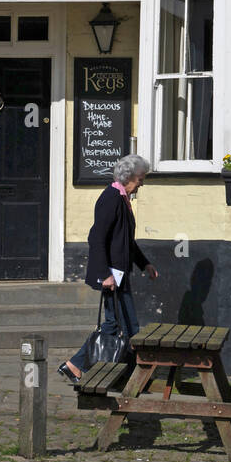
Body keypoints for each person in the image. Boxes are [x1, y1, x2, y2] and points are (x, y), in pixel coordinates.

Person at [59, 154, 158, 384]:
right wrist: (105, 274)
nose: (142, 183)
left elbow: (126, 242)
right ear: (130, 177)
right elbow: (97, 238)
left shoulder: (122, 198)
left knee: (115, 325)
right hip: (112, 274)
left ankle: (76, 365)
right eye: (141, 178)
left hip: (119, 273)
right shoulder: (111, 198)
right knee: (129, 326)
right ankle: (135, 378)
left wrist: (145, 264)